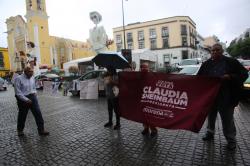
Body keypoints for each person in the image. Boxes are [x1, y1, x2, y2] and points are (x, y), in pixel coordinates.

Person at [197, 43, 248, 150]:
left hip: (226, 96)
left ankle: (231, 140)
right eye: (213, 50)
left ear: (222, 51)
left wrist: (230, 76)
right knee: (210, 117)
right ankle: (210, 133)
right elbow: (199, 79)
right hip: (211, 97)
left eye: (217, 50)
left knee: (227, 119)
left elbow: (244, 73)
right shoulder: (206, 64)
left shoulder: (231, 62)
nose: (215, 52)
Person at [14, 66, 49, 136]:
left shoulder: (32, 77)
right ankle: (20, 130)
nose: (32, 74)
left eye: (32, 72)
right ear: (25, 72)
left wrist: (34, 91)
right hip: (23, 98)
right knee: (22, 115)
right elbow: (18, 92)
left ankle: (41, 130)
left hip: (32, 96)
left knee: (38, 113)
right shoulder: (18, 79)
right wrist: (26, 99)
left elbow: (33, 86)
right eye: (30, 73)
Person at [140, 62, 158, 138]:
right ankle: (146, 128)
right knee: (143, 115)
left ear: (148, 68)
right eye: (143, 67)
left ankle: (154, 130)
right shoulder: (139, 76)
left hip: (150, 99)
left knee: (150, 115)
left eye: (146, 67)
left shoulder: (152, 75)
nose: (144, 68)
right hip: (143, 99)